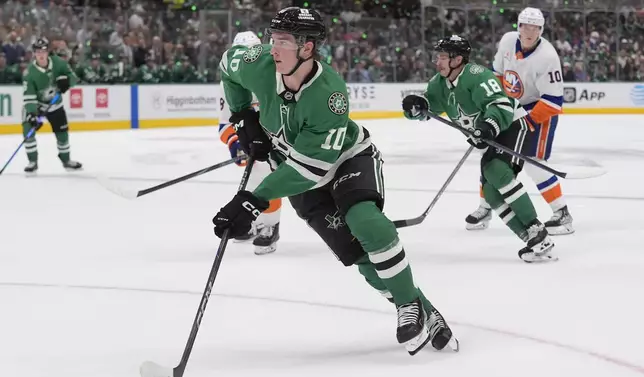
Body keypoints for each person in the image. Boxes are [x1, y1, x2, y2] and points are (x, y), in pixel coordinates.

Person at [214, 7, 458, 355]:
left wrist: (253, 200)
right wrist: (243, 116)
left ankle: (407, 305)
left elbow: (309, 169)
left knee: (364, 221)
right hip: (302, 176)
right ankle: (425, 310)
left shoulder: (329, 95)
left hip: (346, 160)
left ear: (307, 48)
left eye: (283, 42)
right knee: (360, 257)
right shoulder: (260, 63)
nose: (274, 48)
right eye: (273, 39)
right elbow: (227, 63)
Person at [402, 35, 557, 263]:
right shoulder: (438, 83)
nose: (438, 61)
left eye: (443, 57)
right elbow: (429, 107)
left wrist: (487, 128)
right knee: (492, 195)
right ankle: (532, 240)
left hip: (511, 125)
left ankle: (536, 229)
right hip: (487, 133)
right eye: (438, 56)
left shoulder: (476, 75)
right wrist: (416, 107)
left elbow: (500, 105)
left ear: (457, 59)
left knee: (495, 170)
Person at [464, 7, 574, 235]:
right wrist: (495, 105)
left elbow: (553, 101)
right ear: (519, 26)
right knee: (491, 157)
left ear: (541, 30)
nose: (529, 31)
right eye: (525, 26)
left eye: (535, 27)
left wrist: (525, 120)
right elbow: (497, 75)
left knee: (533, 162)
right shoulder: (507, 41)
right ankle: (485, 207)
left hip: (539, 112)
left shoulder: (548, 56)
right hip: (510, 109)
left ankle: (562, 214)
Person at [218, 31, 282, 255]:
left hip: (280, 139)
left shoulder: (274, 74)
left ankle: (270, 224)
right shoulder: (228, 83)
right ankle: (262, 222)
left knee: (271, 180)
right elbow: (225, 124)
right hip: (254, 141)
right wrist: (236, 145)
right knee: (257, 178)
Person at [22, 37, 82, 174]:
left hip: (55, 105)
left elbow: (73, 77)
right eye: (37, 52)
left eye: (43, 51)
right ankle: (32, 161)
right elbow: (29, 97)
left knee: (62, 134)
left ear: (48, 51)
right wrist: (32, 114)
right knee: (28, 132)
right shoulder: (29, 73)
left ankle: (66, 160)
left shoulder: (59, 63)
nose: (41, 55)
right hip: (37, 107)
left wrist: (66, 83)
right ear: (34, 53)